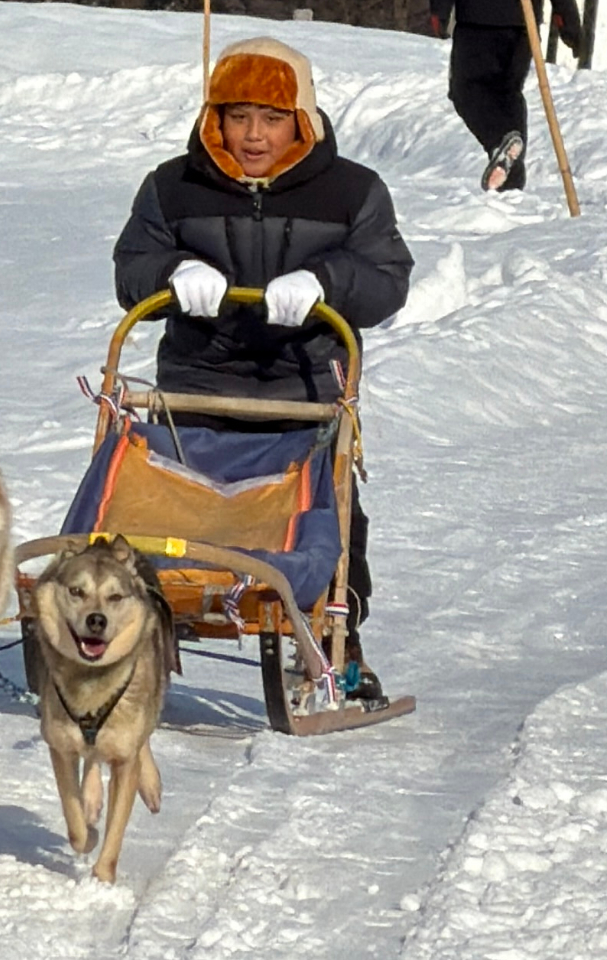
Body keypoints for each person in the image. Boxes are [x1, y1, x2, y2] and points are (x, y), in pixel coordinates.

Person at [112, 36, 414, 701]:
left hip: (303, 390)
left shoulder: (352, 192)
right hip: (197, 387)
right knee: (159, 504)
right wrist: (171, 272)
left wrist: (326, 279)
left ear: (301, 120)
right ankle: (137, 621)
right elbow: (131, 269)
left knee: (328, 517)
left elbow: (388, 280)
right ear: (213, 118)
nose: (253, 135)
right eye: (237, 116)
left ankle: (339, 640)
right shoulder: (172, 187)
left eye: (272, 119)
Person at [430, 0, 583, 191]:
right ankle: (510, 177)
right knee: (508, 94)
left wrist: (439, 11)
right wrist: (568, 20)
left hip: (478, 21)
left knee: (466, 91)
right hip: (522, 24)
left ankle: (501, 145)